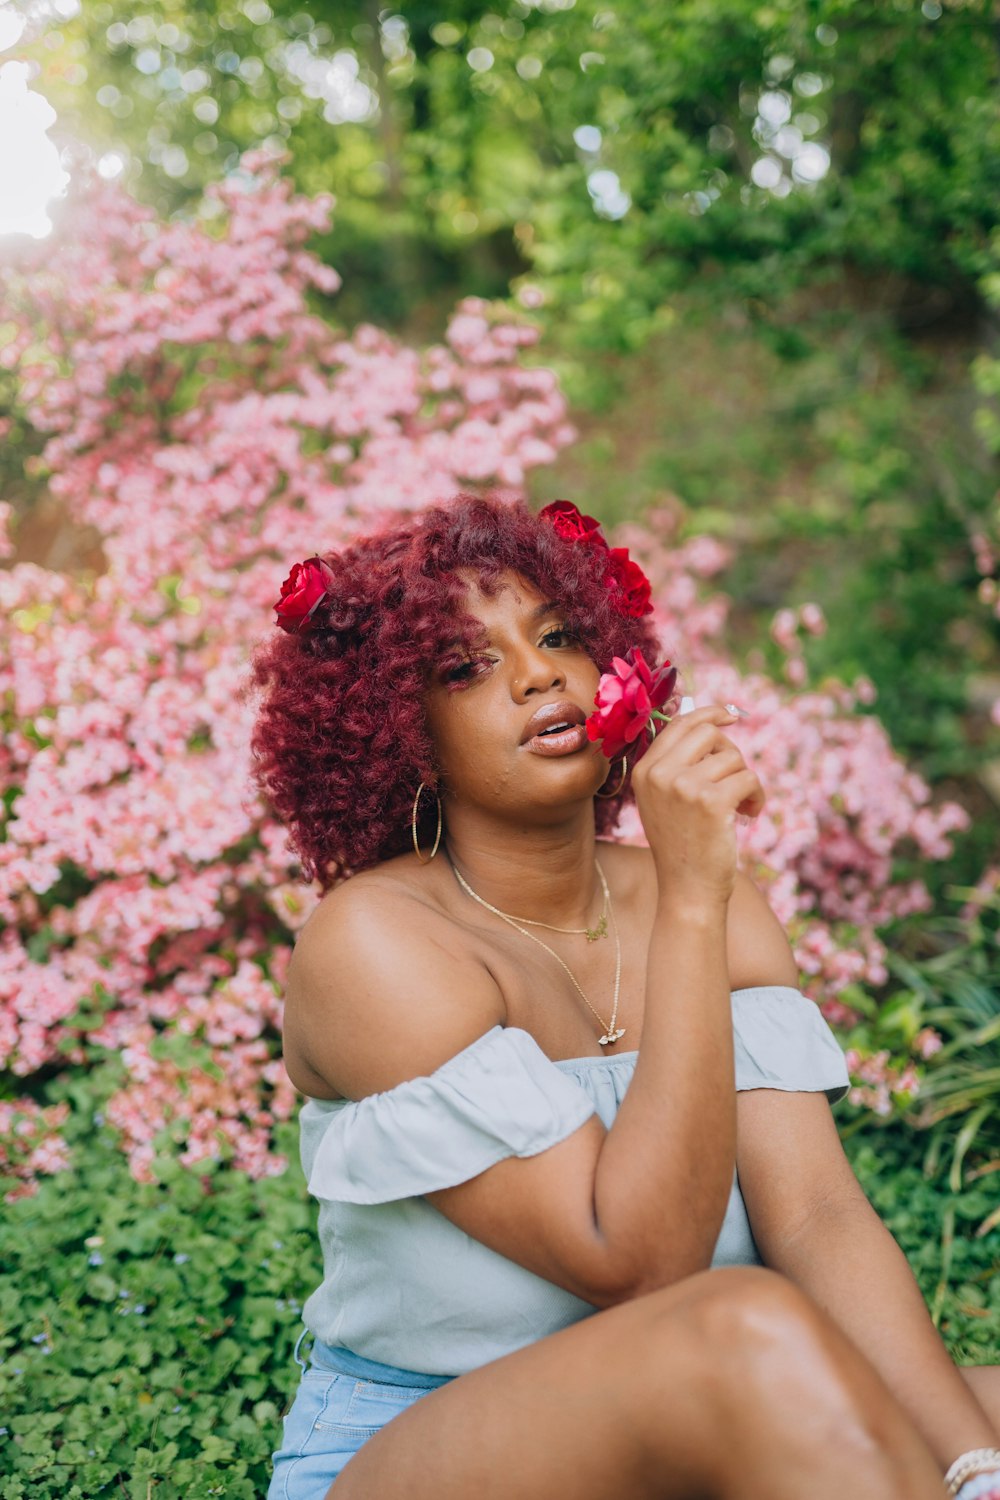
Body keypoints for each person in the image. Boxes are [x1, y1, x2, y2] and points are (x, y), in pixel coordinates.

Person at [246, 493, 1000, 1500]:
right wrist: (690, 897)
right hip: (438, 1445)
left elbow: (816, 1216)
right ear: (398, 728)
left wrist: (969, 1467)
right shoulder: (374, 944)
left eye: (557, 636)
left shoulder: (707, 898)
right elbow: (640, 1268)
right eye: (467, 668)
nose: (538, 673)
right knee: (741, 1321)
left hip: (709, 1412)